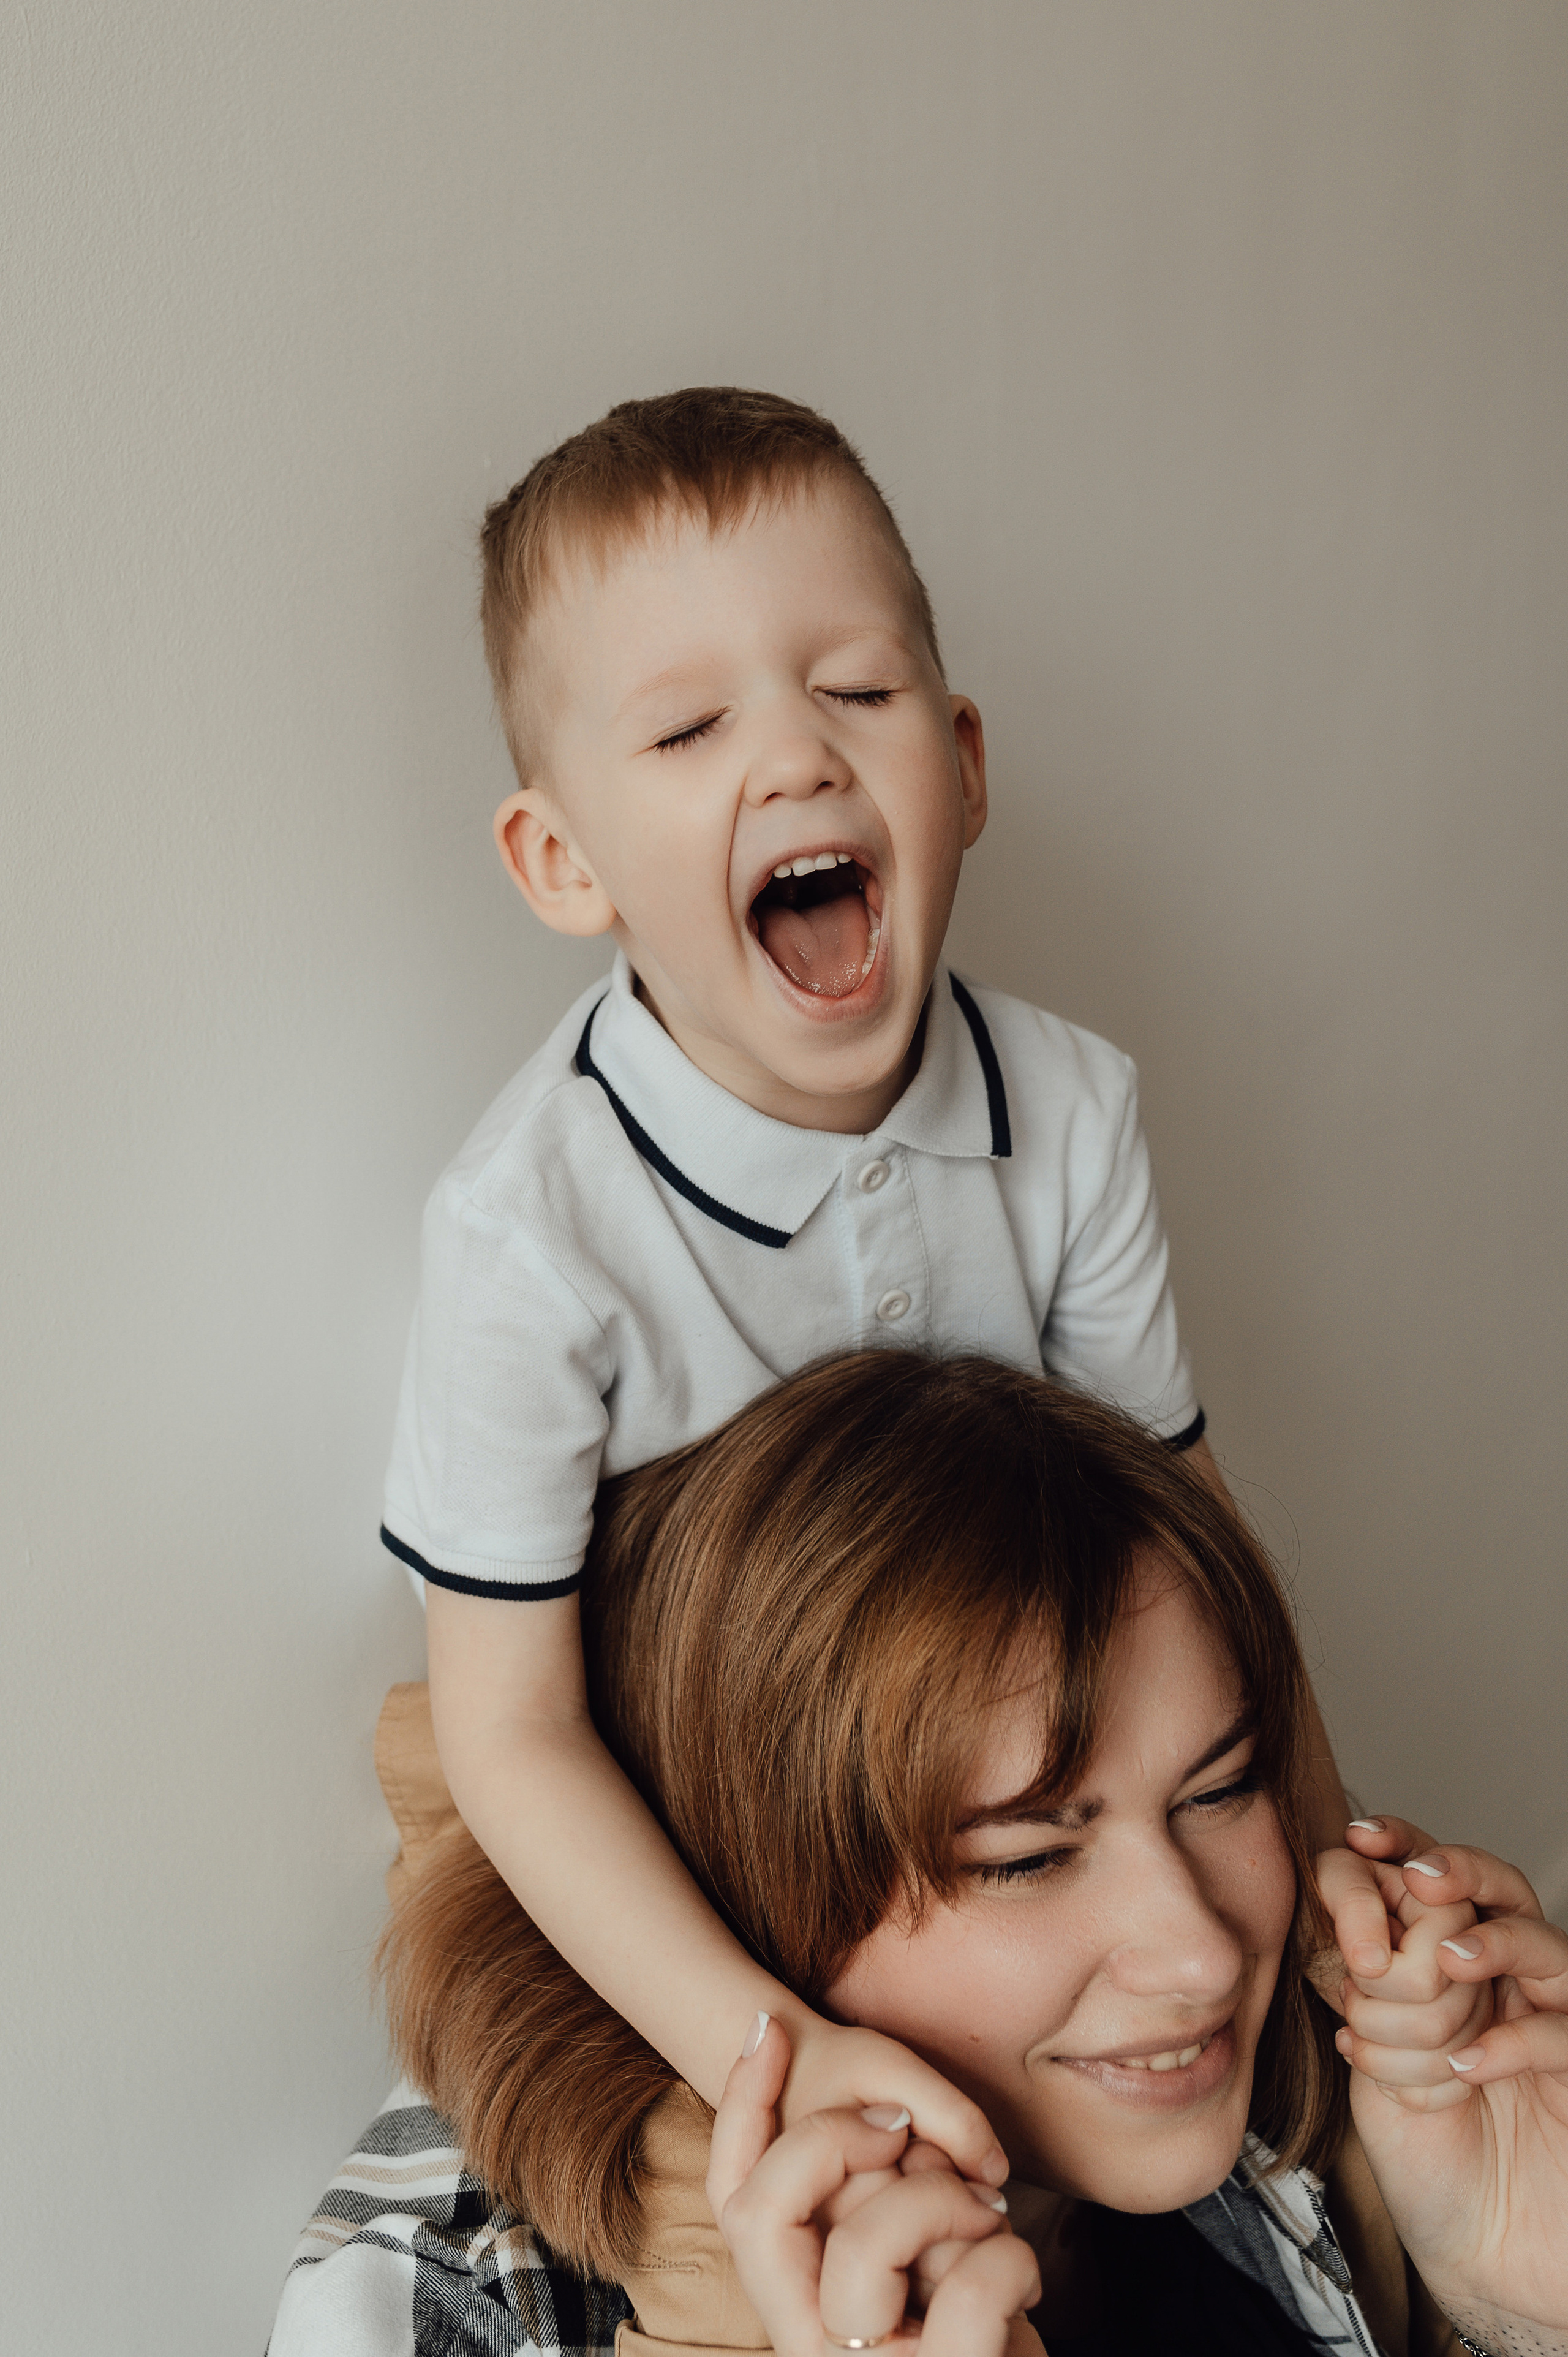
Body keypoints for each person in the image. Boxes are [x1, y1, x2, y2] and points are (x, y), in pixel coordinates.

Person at [379, 385, 1370, 2183]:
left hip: (1018, 1821)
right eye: (686, 729)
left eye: (857, 689)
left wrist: (1333, 1888)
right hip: (708, 1872)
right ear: (563, 861)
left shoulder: (1067, 1110)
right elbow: (505, 1737)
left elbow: (1190, 1541)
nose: (797, 758)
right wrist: (771, 2047)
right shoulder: (533, 1237)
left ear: (967, 764)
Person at [276, 1355, 1568, 2356]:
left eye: (1219, 1788)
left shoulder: (1329, 2097)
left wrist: (1517, 2302)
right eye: (1023, 1857)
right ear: (734, 1892)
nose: (1199, 1947)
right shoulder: (446, 2308)